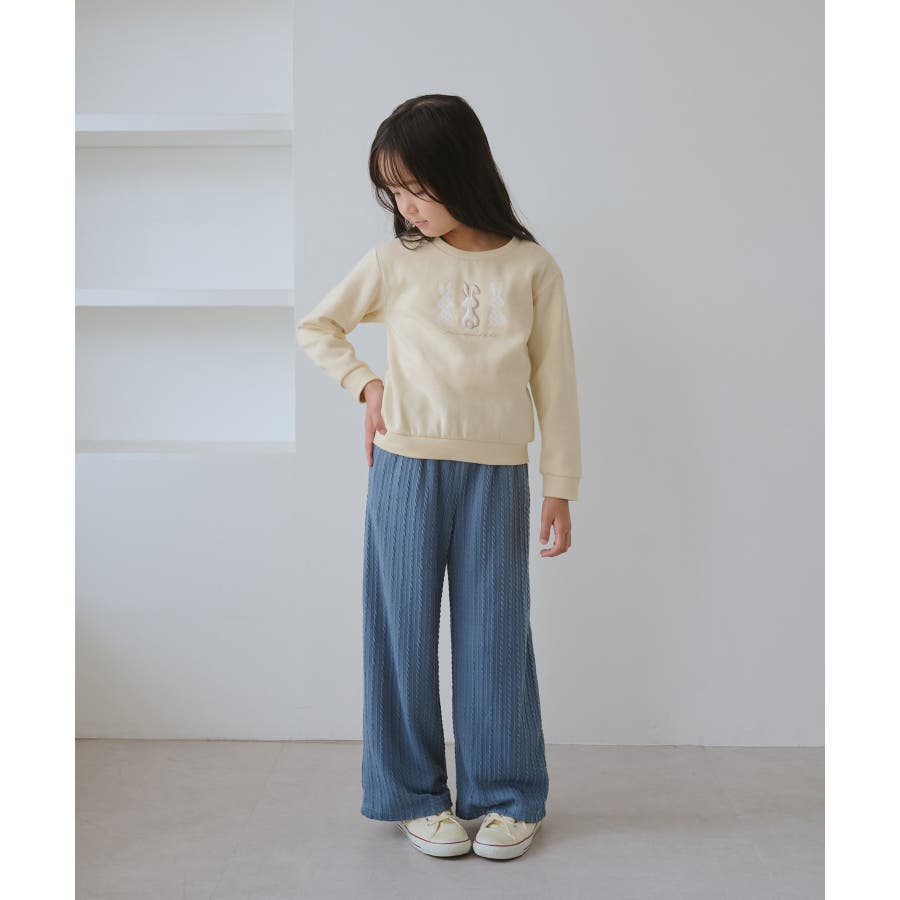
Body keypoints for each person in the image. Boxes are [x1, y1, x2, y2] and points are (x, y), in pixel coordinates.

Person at [296, 94, 582, 861]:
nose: (407, 208)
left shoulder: (532, 268)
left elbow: (556, 383)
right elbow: (318, 326)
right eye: (393, 192)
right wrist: (367, 385)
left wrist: (560, 484)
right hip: (404, 469)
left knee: (496, 637)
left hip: (497, 475)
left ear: (462, 172)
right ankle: (415, 796)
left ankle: (508, 796)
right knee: (400, 633)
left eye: (418, 189)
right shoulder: (394, 262)